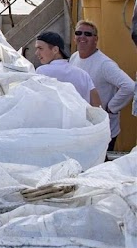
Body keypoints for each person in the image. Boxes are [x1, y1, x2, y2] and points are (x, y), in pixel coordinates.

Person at [70, 20, 135, 150]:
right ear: (74, 37)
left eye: (88, 34)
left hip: (104, 131)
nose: (82, 37)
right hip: (83, 128)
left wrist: (111, 107)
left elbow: (130, 86)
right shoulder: (74, 57)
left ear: (96, 39)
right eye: (79, 33)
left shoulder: (104, 64)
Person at [33, 31, 100, 106]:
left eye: (40, 48)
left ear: (55, 50)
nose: (36, 53)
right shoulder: (83, 75)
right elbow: (97, 106)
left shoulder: (42, 72)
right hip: (81, 117)